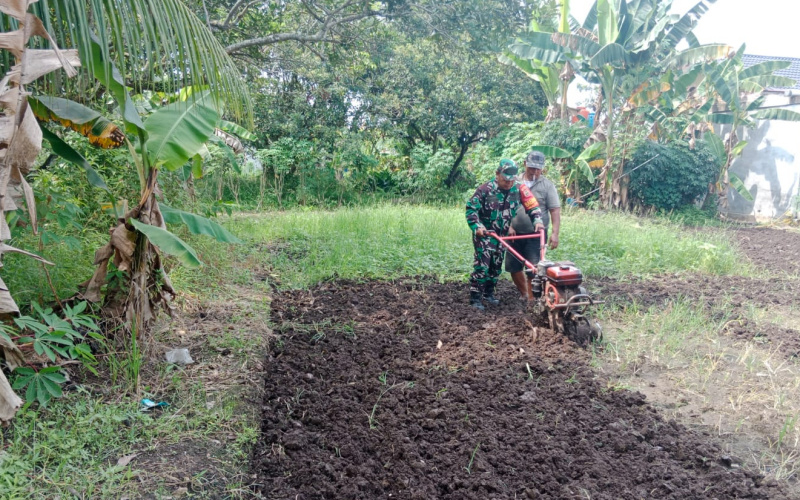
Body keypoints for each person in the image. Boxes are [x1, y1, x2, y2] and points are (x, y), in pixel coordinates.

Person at [466, 159, 544, 310]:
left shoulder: (519, 188)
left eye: (511, 180)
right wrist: (477, 226)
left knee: (495, 266)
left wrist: (537, 220)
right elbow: (471, 209)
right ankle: (475, 298)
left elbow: (532, 205)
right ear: (497, 174)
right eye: (505, 180)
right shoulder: (485, 189)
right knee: (482, 266)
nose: (508, 184)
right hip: (486, 235)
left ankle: (488, 294)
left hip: (502, 235)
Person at [505, 150, 561, 302]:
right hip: (514, 233)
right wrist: (508, 225)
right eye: (531, 167)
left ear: (542, 168)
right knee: (513, 267)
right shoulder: (513, 181)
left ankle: (532, 301)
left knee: (534, 269)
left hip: (536, 234)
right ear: (525, 164)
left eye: (538, 168)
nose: (534, 171)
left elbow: (554, 210)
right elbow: (503, 205)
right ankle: (524, 293)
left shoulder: (547, 186)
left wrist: (555, 233)